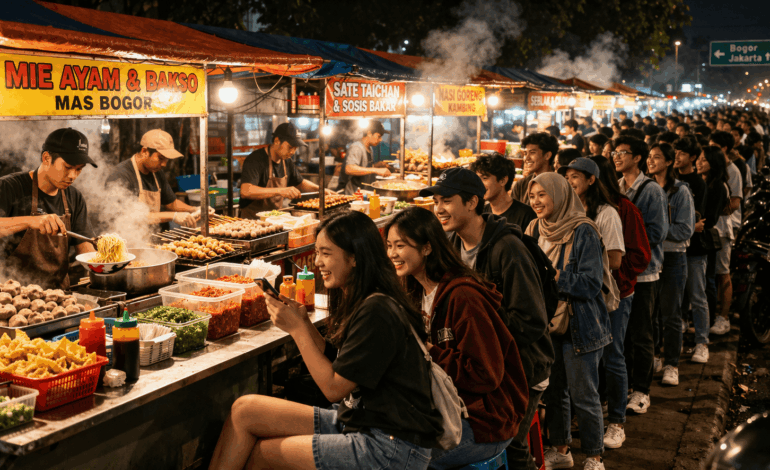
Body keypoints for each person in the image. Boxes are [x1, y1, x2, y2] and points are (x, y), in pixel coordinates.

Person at [209, 211, 441, 470]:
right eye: (316, 252)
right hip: (359, 419)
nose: (317, 261)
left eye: (326, 253)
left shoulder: (377, 309)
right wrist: (305, 324)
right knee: (244, 410)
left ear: (354, 257)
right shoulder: (362, 298)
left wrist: (297, 330)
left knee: (263, 454)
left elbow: (333, 388)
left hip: (391, 445)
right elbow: (340, 363)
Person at [420, 167, 553, 470]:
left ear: (471, 202)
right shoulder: (453, 245)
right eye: (436, 201)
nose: (439, 209)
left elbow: (531, 320)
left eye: (447, 201)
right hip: (483, 367)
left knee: (514, 448)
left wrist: (485, 338)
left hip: (523, 366)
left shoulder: (508, 249)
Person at [385, 207, 528, 469]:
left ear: (427, 248)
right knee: (378, 439)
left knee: (399, 458)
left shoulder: (463, 297)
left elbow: (486, 373)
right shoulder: (416, 292)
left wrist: (429, 351)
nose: (392, 254)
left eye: (401, 245)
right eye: (389, 245)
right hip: (448, 409)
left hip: (485, 423)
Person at [525, 173, 612, 470]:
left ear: (559, 195)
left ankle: (594, 455)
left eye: (542, 195)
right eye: (532, 195)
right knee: (554, 390)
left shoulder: (583, 230)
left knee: (584, 393)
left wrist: (554, 277)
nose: (536, 201)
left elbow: (590, 284)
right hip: (547, 322)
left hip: (581, 323)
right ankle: (561, 449)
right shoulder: (534, 228)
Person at [590, 155, 652, 443]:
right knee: (592, 357)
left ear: (594, 179)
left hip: (617, 295)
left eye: (576, 177)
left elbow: (640, 255)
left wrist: (618, 278)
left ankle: (617, 421)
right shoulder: (578, 209)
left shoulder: (622, 209)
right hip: (587, 296)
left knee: (613, 356)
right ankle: (598, 407)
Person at [613, 136, 669, 414]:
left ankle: (642, 391)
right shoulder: (617, 186)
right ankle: (622, 389)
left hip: (645, 273)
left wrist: (625, 240)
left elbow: (658, 232)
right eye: (615, 152)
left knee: (642, 333)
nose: (617, 156)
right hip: (622, 273)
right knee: (621, 336)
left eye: (623, 152)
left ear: (637, 158)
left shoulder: (651, 191)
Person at [0, 128, 97, 288]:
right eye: (67, 167)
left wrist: (105, 266)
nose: (73, 175)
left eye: (79, 169)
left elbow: (85, 249)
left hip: (60, 299)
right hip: (13, 298)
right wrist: (31, 221)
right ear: (46, 158)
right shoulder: (9, 187)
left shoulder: (74, 196)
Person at [647, 143, 695, 386]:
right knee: (651, 313)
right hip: (651, 258)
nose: (651, 161)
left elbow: (686, 229)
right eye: (649, 156)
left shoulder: (680, 191)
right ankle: (654, 355)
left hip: (674, 258)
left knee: (671, 314)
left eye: (656, 157)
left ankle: (672, 364)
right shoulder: (646, 189)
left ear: (669, 161)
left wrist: (655, 230)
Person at [106, 129, 201, 230]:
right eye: (161, 158)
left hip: (157, 236)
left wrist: (195, 209)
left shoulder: (156, 172)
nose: (164, 164)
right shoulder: (120, 176)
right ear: (144, 151)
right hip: (131, 238)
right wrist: (173, 216)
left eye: (167, 159)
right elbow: (128, 215)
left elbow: (171, 203)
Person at [240, 123, 329, 219]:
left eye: (295, 148)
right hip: (252, 221)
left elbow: (300, 183)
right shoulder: (255, 159)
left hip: (274, 220)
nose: (293, 152)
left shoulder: (287, 161)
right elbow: (246, 191)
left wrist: (321, 190)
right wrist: (280, 190)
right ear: (277, 141)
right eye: (290, 147)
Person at [708, 131, 742, 335]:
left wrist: (711, 210)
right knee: (709, 275)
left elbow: (735, 204)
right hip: (710, 230)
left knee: (722, 273)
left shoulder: (733, 171)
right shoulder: (711, 170)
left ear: (724, 149)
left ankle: (724, 317)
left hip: (722, 229)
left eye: (713, 146)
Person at [471, 154, 536, 230]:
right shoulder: (481, 213)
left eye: (484, 178)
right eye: (478, 179)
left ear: (503, 180)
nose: (479, 184)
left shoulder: (527, 215)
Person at [338, 120, 392, 195]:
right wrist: (376, 170)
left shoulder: (370, 149)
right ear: (369, 133)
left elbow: (364, 167)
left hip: (364, 193)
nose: (380, 139)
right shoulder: (357, 147)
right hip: (353, 194)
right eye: (379, 136)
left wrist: (376, 166)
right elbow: (349, 168)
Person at [512, 133, 559, 205]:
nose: (526, 158)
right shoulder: (521, 185)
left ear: (547, 155)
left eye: (532, 153)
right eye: (525, 153)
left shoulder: (559, 185)